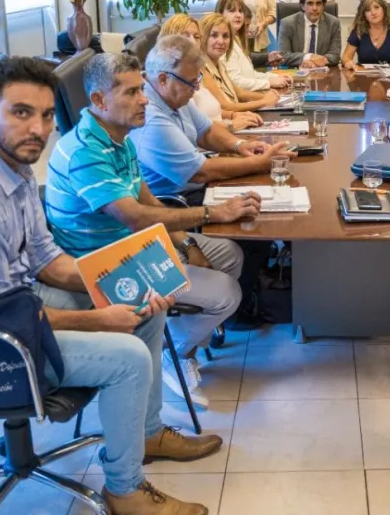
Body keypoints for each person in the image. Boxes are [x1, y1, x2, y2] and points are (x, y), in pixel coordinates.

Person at [0, 56, 217, 514]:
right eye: (21, 112)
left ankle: (146, 436)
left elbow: (46, 260)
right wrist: (98, 319)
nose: (39, 128)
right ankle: (124, 491)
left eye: (47, 115)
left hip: (13, 306)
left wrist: (124, 284)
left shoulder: (15, 166)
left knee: (145, 306)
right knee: (127, 357)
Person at [45, 52, 257, 408]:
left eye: (141, 89)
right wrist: (211, 213)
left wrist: (187, 242)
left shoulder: (120, 137)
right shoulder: (85, 153)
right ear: (98, 100)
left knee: (230, 254)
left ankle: (183, 341)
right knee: (226, 293)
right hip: (106, 264)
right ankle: (172, 354)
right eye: (131, 93)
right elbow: (136, 217)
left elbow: (151, 204)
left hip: (136, 244)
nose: (144, 99)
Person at [128, 34, 293, 202]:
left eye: (198, 79)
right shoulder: (149, 116)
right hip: (176, 203)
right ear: (163, 79)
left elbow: (206, 131)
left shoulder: (175, 94)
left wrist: (240, 145)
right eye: (192, 82)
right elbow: (200, 172)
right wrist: (259, 163)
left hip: (198, 188)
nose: (197, 87)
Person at [158, 13, 263, 132]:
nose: (192, 41)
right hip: (211, 140)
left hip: (220, 134)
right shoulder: (173, 79)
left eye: (196, 37)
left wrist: (232, 115)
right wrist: (231, 125)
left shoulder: (194, 70)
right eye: (185, 36)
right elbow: (193, 126)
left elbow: (205, 114)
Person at [196, 13, 282, 114]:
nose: (221, 41)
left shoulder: (219, 64)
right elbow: (225, 107)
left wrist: (273, 96)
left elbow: (238, 92)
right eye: (214, 35)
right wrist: (264, 102)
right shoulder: (202, 69)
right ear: (203, 38)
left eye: (225, 36)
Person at [215, 0, 292, 91]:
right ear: (220, 14)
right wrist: (268, 83)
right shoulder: (222, 43)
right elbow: (235, 82)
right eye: (232, 11)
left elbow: (250, 74)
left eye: (240, 11)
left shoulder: (236, 40)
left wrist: (273, 77)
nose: (238, 15)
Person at [277, 0, 342, 68]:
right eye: (310, 3)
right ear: (302, 6)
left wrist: (317, 61)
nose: (314, 8)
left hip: (322, 72)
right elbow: (283, 55)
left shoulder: (333, 23)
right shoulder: (288, 23)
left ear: (324, 6)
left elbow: (335, 55)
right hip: (296, 71)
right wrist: (308, 57)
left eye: (318, 3)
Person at [341, 0, 390, 68]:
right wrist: (347, 63)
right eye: (368, 10)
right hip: (364, 76)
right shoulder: (359, 30)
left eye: (376, 7)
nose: (373, 13)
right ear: (364, 15)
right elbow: (345, 58)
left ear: (383, 9)